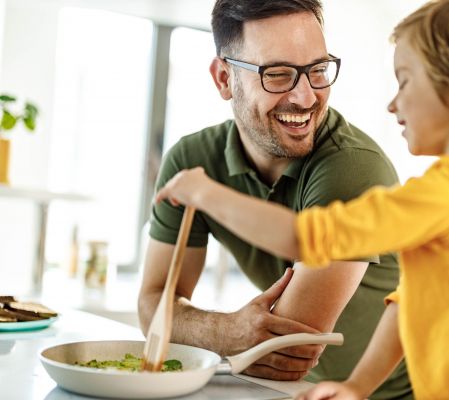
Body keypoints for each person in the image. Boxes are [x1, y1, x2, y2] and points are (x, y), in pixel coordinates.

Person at [154, 0, 449, 398]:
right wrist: (358, 386)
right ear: (224, 78)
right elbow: (409, 301)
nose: (393, 104)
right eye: (279, 73)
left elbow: (306, 239)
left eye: (406, 81)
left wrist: (205, 193)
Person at [138, 0, 412, 398]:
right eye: (279, 75)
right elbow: (152, 307)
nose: (305, 98)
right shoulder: (193, 161)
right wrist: (230, 329)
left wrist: (210, 330)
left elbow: (288, 350)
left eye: (317, 71)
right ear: (224, 80)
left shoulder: (355, 169)